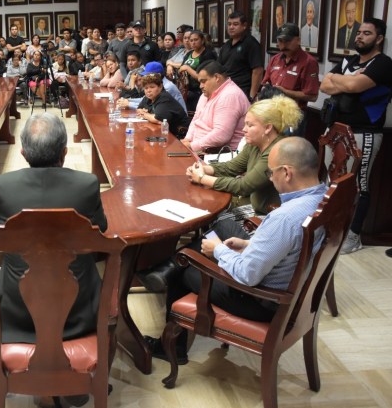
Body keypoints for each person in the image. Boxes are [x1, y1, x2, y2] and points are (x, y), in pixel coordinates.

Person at [143, 137, 328, 363]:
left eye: (271, 173)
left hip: (261, 299)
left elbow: (248, 275)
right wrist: (249, 245)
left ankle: (171, 347)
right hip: (288, 279)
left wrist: (220, 251)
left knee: (186, 267)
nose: (270, 178)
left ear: (287, 173)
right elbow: (292, 244)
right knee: (224, 226)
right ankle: (166, 267)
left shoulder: (284, 218)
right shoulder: (322, 198)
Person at [0, 113, 107, 343]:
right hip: (79, 308)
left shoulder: (2, 186)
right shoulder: (87, 185)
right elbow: (101, 229)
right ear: (65, 152)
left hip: (17, 310)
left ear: (22, 153)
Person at [320, 17, 392, 254]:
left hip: (364, 132)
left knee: (359, 184)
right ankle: (330, 229)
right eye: (359, 32)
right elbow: (324, 85)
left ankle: (353, 236)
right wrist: (348, 80)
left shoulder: (383, 64)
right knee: (332, 181)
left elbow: (352, 87)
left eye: (366, 33)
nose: (359, 36)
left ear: (379, 39)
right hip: (336, 129)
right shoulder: (349, 60)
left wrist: (342, 81)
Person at [261, 23, 320, 136]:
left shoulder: (308, 62)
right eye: (280, 41)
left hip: (292, 116)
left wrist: (285, 92)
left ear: (298, 40)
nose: (283, 45)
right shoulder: (275, 59)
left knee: (287, 146)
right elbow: (265, 83)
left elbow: (313, 96)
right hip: (271, 112)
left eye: (287, 41)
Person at [182, 61, 250, 153]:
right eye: (200, 82)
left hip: (218, 153)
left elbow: (222, 135)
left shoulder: (230, 95)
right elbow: (196, 120)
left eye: (203, 81)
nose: (201, 86)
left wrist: (192, 146)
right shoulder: (205, 94)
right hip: (198, 148)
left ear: (217, 77)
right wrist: (187, 139)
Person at [218, 11, 264, 101]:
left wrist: (252, 96)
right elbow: (219, 67)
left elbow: (258, 71)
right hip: (226, 90)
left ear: (244, 26)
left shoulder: (251, 44)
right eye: (229, 24)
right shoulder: (226, 45)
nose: (231, 27)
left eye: (235, 24)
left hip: (242, 91)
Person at [135, 72, 189, 136]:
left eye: (152, 87)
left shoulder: (164, 97)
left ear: (160, 86)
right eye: (146, 88)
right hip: (163, 131)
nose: (148, 90)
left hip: (178, 135)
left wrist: (144, 114)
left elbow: (157, 119)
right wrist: (149, 115)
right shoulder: (149, 97)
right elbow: (138, 109)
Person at [178, 30, 218, 111]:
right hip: (186, 89)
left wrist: (187, 68)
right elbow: (181, 69)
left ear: (202, 41)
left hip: (200, 91)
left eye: (196, 40)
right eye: (191, 40)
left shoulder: (208, 54)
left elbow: (205, 77)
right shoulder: (189, 54)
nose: (193, 43)